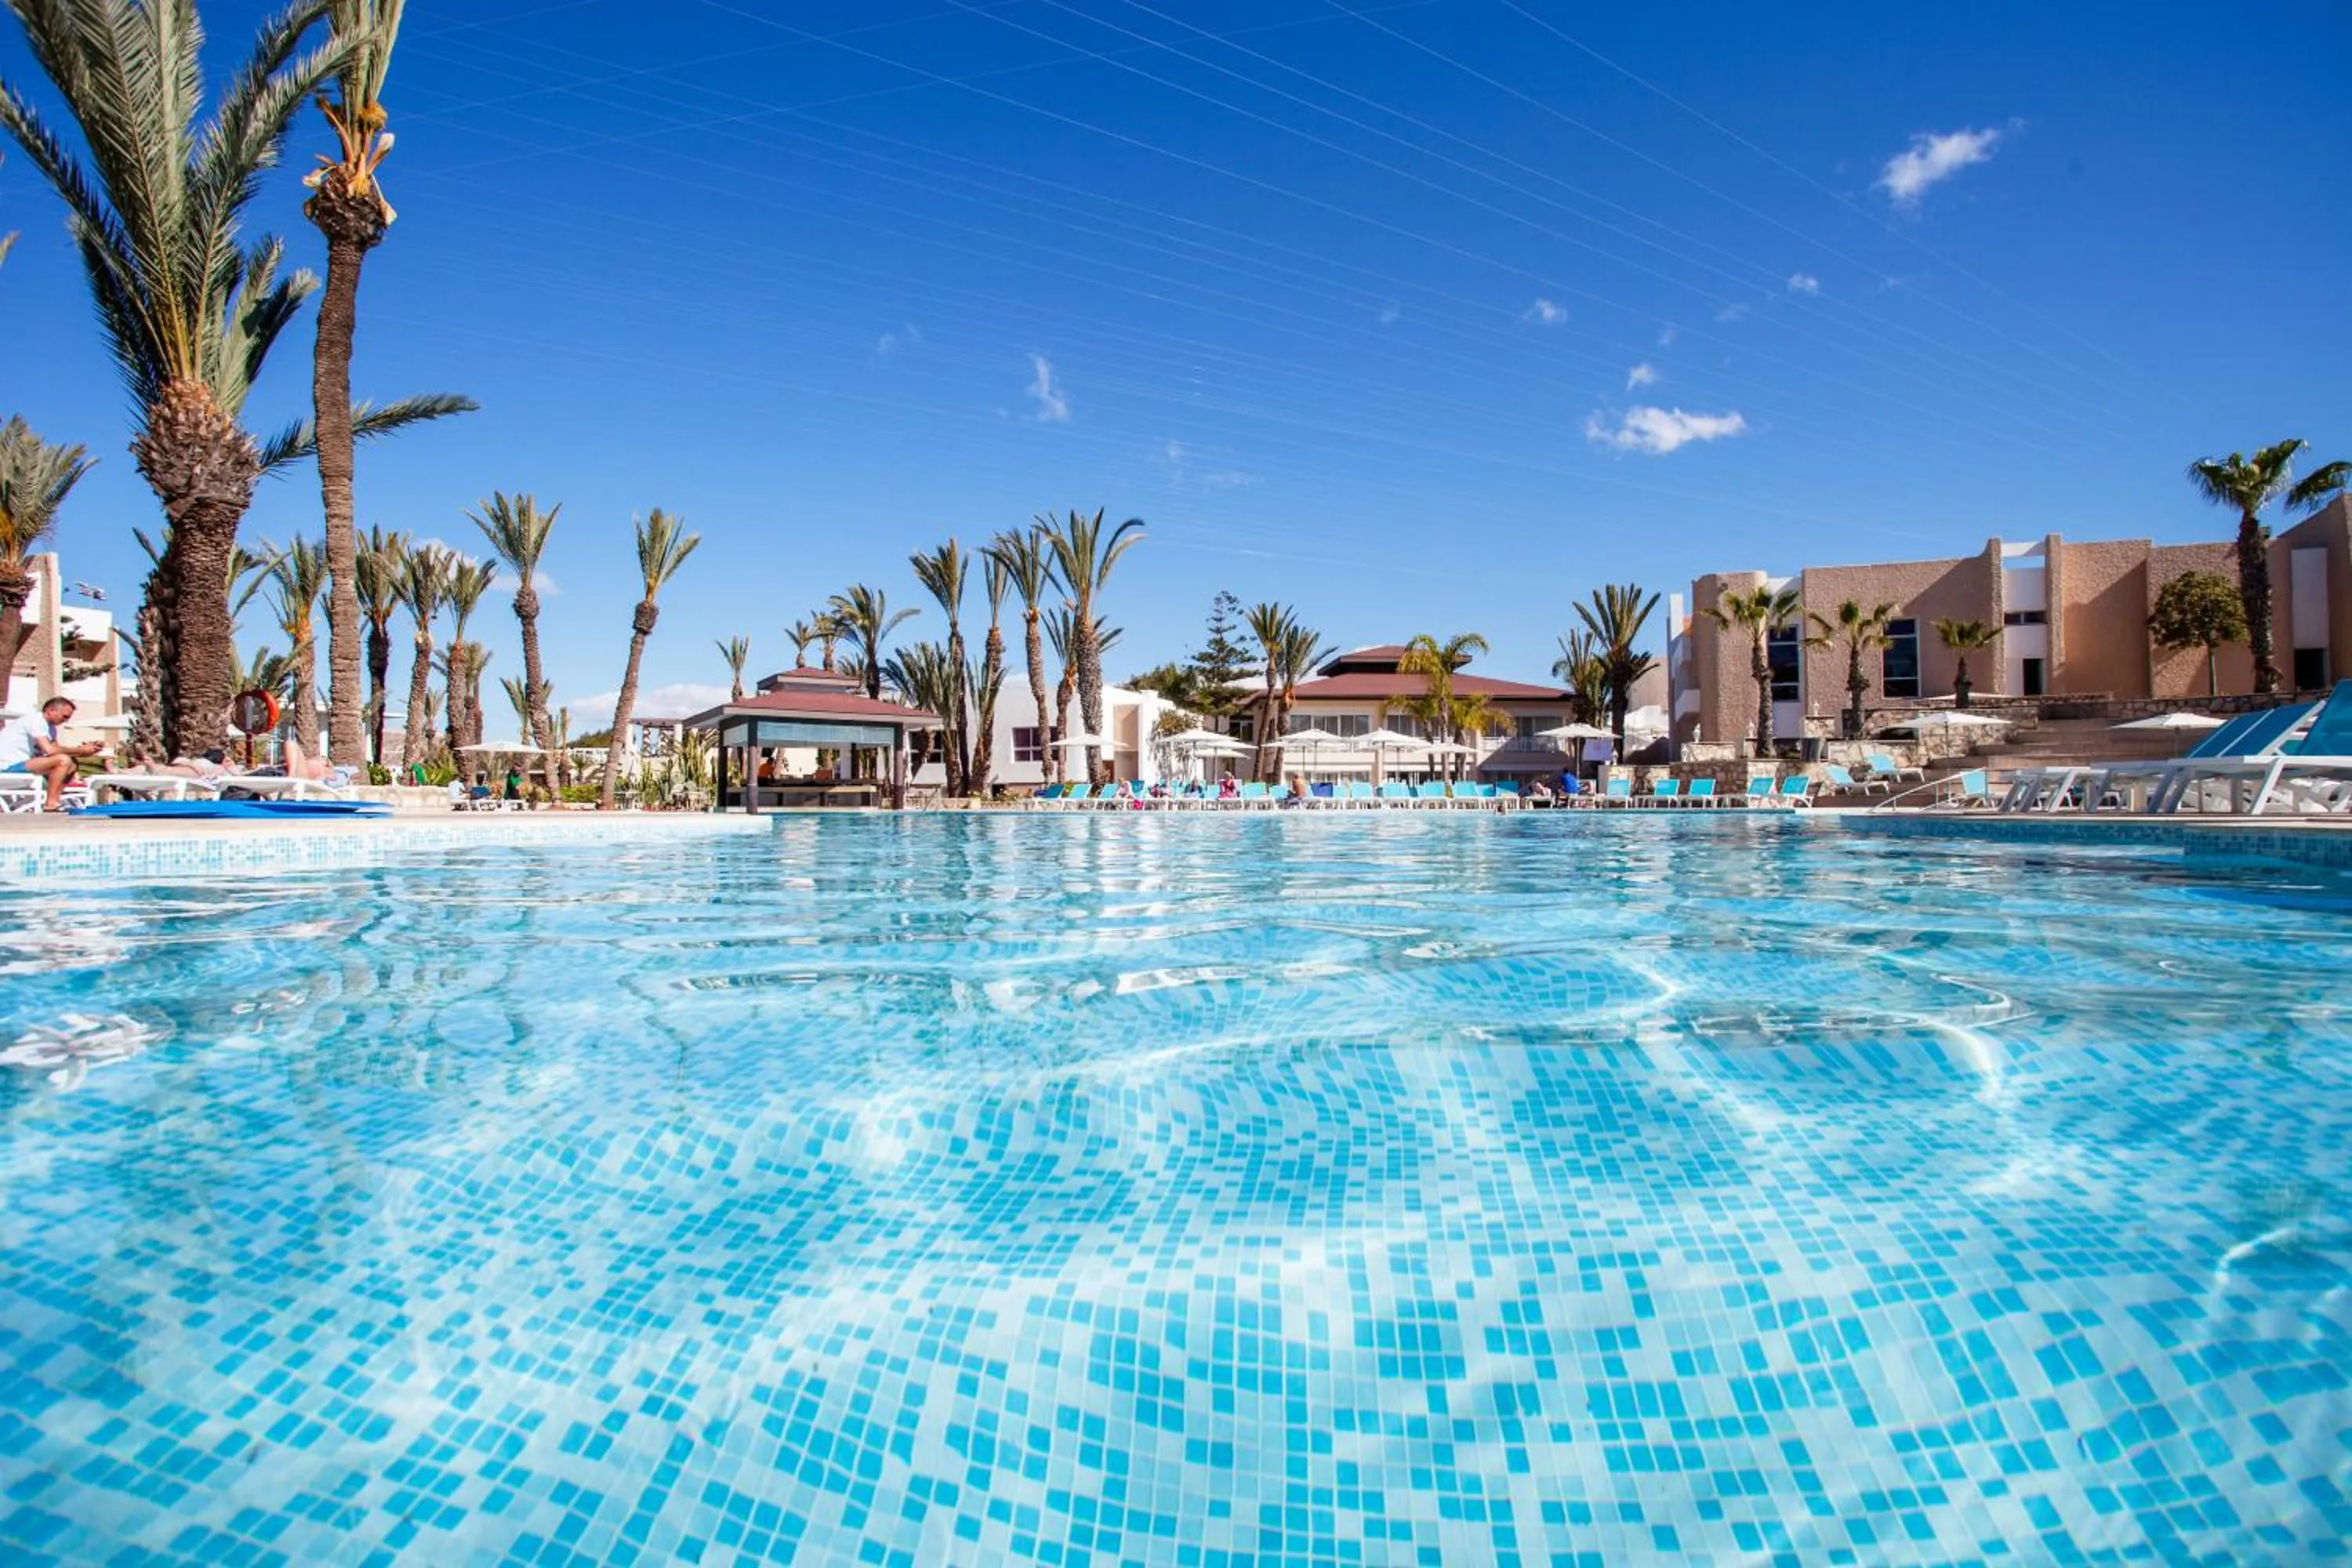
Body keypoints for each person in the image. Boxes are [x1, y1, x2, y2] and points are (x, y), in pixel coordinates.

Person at [0, 697, 103, 811]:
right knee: (63, 760)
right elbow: (50, 750)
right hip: (7, 767)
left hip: (24, 765)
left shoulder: (51, 729)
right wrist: (81, 750)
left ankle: (55, 800)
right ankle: (50, 803)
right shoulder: (36, 720)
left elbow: (56, 751)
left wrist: (87, 751)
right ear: (51, 711)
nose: (66, 721)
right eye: (65, 717)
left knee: (72, 764)